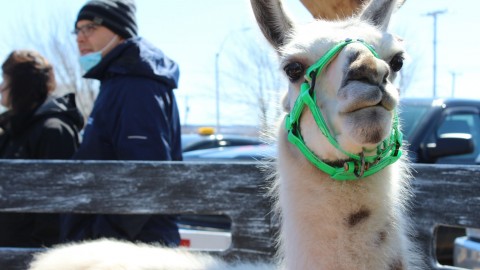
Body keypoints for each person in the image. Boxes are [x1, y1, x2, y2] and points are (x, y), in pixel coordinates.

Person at [60, 0, 182, 246]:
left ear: (119, 30)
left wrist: (98, 239)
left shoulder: (136, 85)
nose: (80, 39)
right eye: (77, 30)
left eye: (90, 28)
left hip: (132, 250)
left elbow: (148, 177)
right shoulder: (118, 80)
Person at [0, 50, 84, 247]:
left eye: (5, 80)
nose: (1, 87)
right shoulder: (14, 129)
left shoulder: (53, 130)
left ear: (20, 84)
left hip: (30, 254)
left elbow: (56, 210)